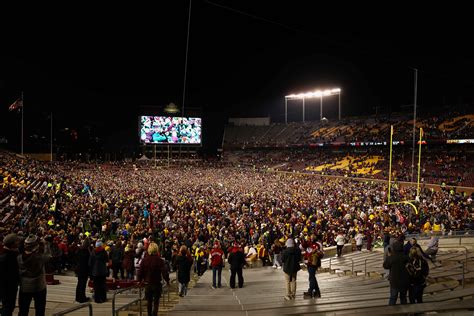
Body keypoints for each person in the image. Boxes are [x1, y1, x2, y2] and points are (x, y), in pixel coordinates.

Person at [17, 235, 51, 316]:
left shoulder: (19, 258)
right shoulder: (39, 257)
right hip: (39, 286)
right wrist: (46, 244)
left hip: (25, 287)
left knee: (23, 310)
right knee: (40, 310)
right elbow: (48, 256)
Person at [138, 242, 170, 316]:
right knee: (156, 302)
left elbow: (140, 272)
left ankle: (149, 314)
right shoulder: (160, 260)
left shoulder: (144, 260)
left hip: (147, 283)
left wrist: (139, 280)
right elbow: (164, 272)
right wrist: (167, 280)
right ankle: (154, 314)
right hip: (156, 283)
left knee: (149, 301)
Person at [383, 240, 409, 305]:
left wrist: (388, 257)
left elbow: (385, 266)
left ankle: (391, 312)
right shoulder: (405, 257)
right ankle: (405, 312)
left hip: (394, 280)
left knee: (393, 297)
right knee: (403, 297)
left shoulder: (391, 258)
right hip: (404, 280)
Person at [0, 233, 21, 316]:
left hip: (6, 285)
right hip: (8, 286)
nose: (18, 244)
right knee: (8, 306)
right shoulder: (10, 257)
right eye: (17, 242)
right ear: (12, 244)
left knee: (7, 306)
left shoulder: (3, 255)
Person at [75, 238, 91, 303]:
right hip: (84, 270)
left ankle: (77, 297)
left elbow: (76, 258)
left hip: (79, 268)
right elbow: (88, 262)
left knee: (79, 284)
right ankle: (82, 298)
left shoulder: (79, 250)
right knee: (83, 284)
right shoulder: (87, 252)